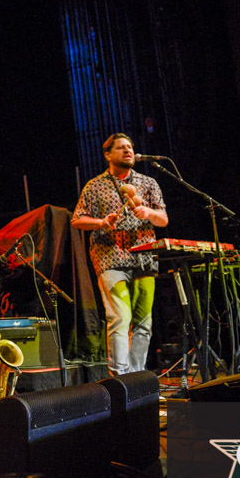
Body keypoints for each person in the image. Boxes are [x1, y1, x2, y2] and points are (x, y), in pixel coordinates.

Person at [71, 133, 168, 376]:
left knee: (144, 323)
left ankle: (137, 377)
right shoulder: (94, 186)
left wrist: (148, 213)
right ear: (108, 155)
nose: (128, 151)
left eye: (130, 147)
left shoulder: (148, 183)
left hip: (144, 259)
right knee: (120, 318)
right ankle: (121, 379)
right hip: (111, 259)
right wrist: (101, 222)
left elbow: (163, 220)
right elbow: (77, 219)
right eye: (122, 148)